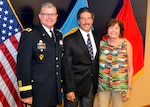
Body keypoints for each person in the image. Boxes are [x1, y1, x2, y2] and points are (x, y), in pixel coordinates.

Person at [17, 2, 63, 107]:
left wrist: (60, 84)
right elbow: (23, 66)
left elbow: (58, 61)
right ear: (40, 16)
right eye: (46, 14)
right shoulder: (30, 35)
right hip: (37, 92)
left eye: (52, 14)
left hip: (53, 91)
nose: (49, 17)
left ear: (56, 16)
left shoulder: (58, 35)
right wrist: (26, 93)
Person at [62, 7, 101, 107]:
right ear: (78, 21)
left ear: (92, 20)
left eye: (88, 18)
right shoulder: (69, 40)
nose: (86, 22)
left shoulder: (98, 37)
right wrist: (69, 89)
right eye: (83, 19)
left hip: (91, 85)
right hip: (74, 86)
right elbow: (67, 66)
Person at [98, 18, 133, 107]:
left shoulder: (126, 44)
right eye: (111, 27)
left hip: (120, 87)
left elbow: (130, 68)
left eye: (116, 28)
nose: (113, 30)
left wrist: (129, 89)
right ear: (107, 30)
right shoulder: (102, 44)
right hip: (103, 85)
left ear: (120, 31)